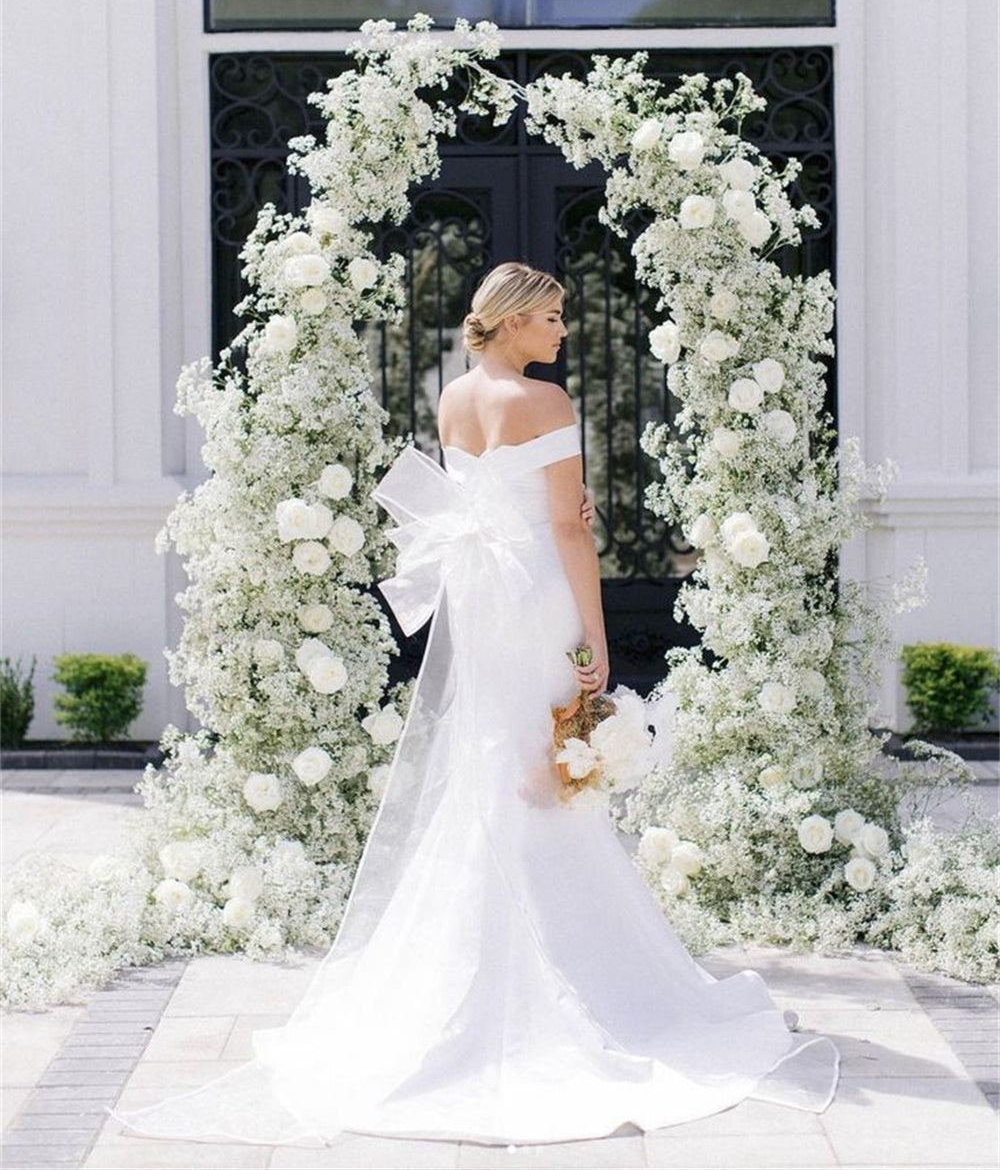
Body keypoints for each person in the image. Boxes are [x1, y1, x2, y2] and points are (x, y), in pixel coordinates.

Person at [105, 262, 840, 1149]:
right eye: (554, 317)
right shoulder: (548, 402)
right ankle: (564, 962)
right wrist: (596, 631)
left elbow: (487, 496)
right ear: (517, 320)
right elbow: (567, 524)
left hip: (481, 599)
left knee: (498, 753)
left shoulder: (455, 397)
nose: (564, 330)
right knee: (550, 753)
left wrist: (560, 509)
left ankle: (478, 947)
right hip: (534, 590)